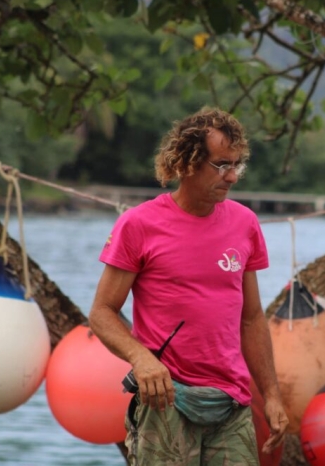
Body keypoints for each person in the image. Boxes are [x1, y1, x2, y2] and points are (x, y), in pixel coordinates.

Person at [88, 107, 288, 465]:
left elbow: (252, 318)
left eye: (237, 165)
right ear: (186, 163)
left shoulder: (245, 223)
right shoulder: (138, 224)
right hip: (166, 400)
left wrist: (271, 395)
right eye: (222, 165)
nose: (232, 177)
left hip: (232, 403)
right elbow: (102, 313)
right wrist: (141, 359)